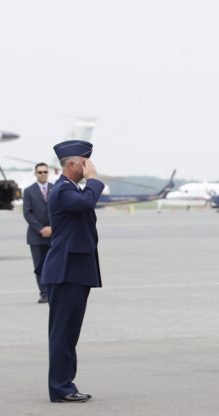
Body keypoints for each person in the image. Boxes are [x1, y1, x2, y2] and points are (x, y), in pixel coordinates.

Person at [41, 140, 104, 403]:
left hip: (74, 271)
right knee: (63, 333)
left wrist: (88, 182)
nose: (89, 167)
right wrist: (94, 180)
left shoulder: (70, 190)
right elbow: (87, 203)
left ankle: (64, 383)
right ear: (71, 164)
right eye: (85, 162)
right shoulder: (64, 191)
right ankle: (61, 388)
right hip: (67, 272)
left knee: (69, 332)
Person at [22, 162, 54, 304]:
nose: (43, 174)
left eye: (45, 172)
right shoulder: (29, 191)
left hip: (54, 235)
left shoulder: (55, 189)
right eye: (40, 172)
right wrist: (41, 229)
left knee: (53, 265)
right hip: (36, 236)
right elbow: (27, 213)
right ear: (36, 174)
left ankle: (53, 293)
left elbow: (60, 211)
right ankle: (44, 293)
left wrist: (52, 228)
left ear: (48, 173)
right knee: (39, 266)